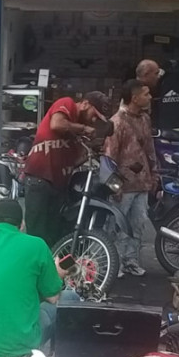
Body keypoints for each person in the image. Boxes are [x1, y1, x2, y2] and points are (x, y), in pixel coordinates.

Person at [0, 198, 74, 357]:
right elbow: (53, 297)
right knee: (72, 298)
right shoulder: (37, 245)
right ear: (22, 225)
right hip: (16, 346)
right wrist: (58, 273)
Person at [23, 91, 110, 247]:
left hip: (59, 185)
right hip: (39, 179)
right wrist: (83, 128)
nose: (94, 120)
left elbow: (71, 162)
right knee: (36, 234)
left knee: (54, 234)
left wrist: (90, 152)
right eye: (94, 114)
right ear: (85, 104)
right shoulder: (67, 103)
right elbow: (56, 124)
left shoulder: (76, 134)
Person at [105, 79, 157, 277]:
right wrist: (114, 186)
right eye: (146, 94)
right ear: (135, 98)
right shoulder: (117, 122)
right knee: (118, 225)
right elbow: (110, 156)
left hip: (142, 183)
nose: (149, 97)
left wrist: (154, 175)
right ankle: (114, 263)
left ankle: (131, 261)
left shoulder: (145, 119)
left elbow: (150, 149)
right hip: (123, 185)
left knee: (138, 224)